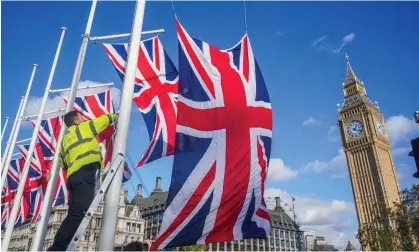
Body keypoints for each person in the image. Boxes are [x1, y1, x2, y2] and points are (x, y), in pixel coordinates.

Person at [48, 110, 117, 251]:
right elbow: (102, 121)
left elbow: (63, 163)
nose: (84, 119)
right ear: (76, 121)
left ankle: (61, 246)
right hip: (85, 173)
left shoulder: (64, 142)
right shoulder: (83, 128)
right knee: (79, 213)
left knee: (74, 213)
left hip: (73, 178)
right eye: (81, 117)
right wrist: (117, 115)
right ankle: (57, 248)